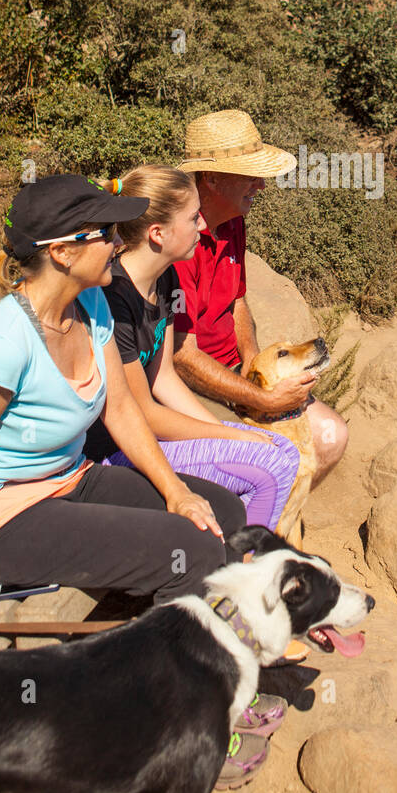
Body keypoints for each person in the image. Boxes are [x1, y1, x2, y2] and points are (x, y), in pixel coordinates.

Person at [0, 175, 281, 785]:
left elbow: (123, 411)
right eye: (104, 232)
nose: (117, 240)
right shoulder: (2, 343)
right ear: (63, 251)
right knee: (189, 553)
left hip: (67, 479)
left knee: (222, 514)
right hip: (2, 517)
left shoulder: (92, 304)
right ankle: (177, 724)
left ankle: (170, 654)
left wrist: (177, 491)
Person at [83, 165, 301, 533]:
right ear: (157, 233)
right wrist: (232, 435)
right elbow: (143, 413)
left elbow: (164, 378)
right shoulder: (115, 302)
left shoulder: (164, 278)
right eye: (192, 218)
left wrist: (219, 429)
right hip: (116, 450)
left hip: (146, 432)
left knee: (284, 451)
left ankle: (231, 552)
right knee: (270, 465)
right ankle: (243, 567)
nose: (202, 227)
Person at [171, 111, 349, 484]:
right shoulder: (178, 239)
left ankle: (273, 521)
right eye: (250, 175)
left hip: (236, 373)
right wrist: (260, 399)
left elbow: (237, 302)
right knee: (263, 458)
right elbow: (182, 357)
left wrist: (255, 366)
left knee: (331, 436)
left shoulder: (233, 221)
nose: (261, 186)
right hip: (188, 384)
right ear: (213, 177)